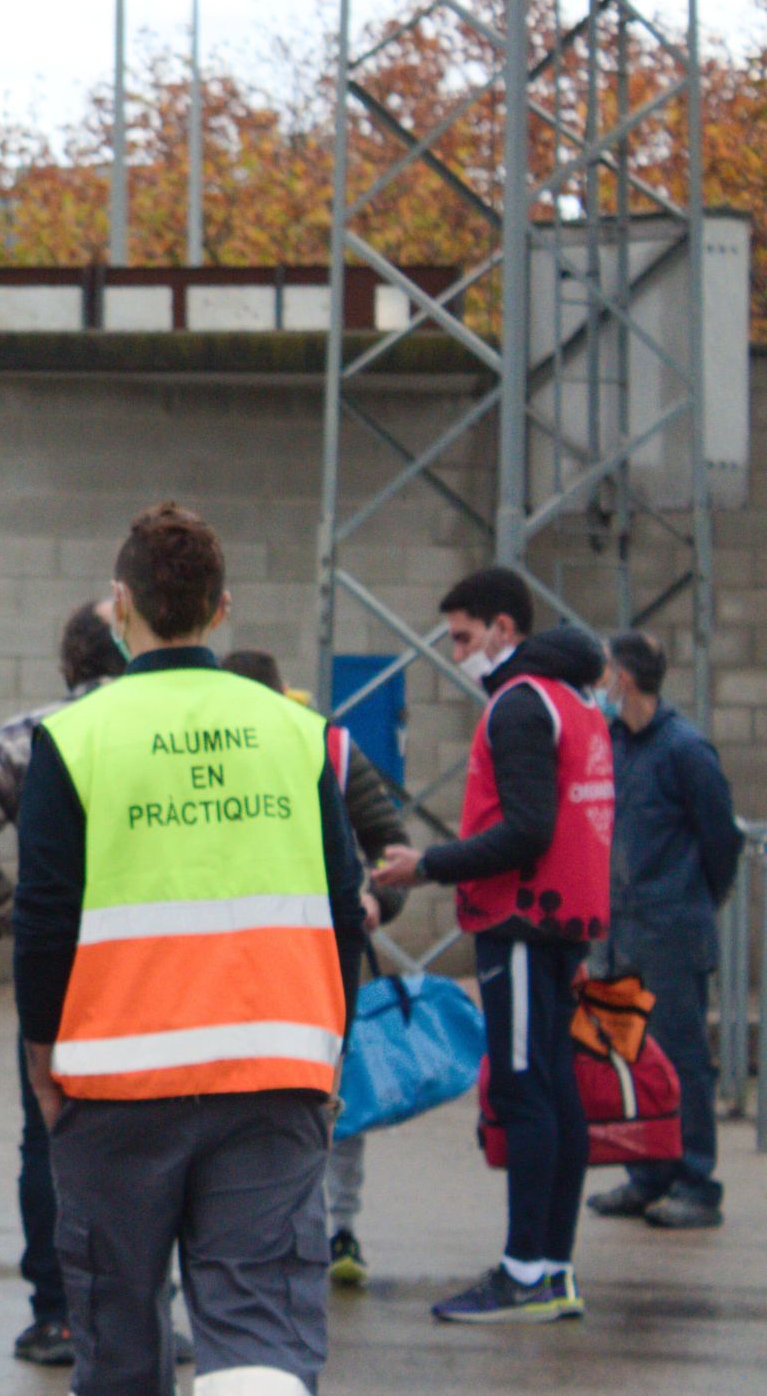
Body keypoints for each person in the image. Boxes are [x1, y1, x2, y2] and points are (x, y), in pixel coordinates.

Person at [15, 502, 363, 1396]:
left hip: (116, 1083)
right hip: (273, 1071)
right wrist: (332, 1051)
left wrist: (42, 1058)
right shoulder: (296, 733)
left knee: (119, 1334)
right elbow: (343, 909)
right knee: (260, 1332)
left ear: (121, 604)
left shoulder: (75, 737)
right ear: (222, 608)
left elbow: (45, 918)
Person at [373, 566, 611, 1324]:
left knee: (523, 1090)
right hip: (563, 922)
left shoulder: (519, 705)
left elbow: (527, 830)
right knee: (556, 1090)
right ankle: (553, 1269)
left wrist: (428, 864)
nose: (457, 653)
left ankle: (525, 1272)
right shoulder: (577, 700)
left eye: (464, 637)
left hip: (520, 923)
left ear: (505, 628)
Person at [0, 599, 125, 1367]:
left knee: (48, 1136)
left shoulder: (36, 734)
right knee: (154, 1138)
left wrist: (8, 914)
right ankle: (139, 1310)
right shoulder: (168, 730)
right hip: (162, 969)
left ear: (70, 659)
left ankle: (57, 1314)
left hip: (62, 965)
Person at [220, 648, 409, 1287]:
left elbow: (391, 847)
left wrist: (376, 899)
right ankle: (268, 1229)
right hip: (239, 962)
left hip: (316, 964)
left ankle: (337, 1228)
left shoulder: (330, 748)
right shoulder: (205, 755)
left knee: (330, 1096)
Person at [584, 630, 742, 1231]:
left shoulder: (685, 750)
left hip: (670, 931)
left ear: (623, 678)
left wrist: (696, 897)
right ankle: (647, 1175)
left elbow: (721, 839)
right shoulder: (612, 744)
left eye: (604, 672)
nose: (599, 684)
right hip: (619, 932)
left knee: (680, 1058)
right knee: (629, 1056)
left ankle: (696, 1183)